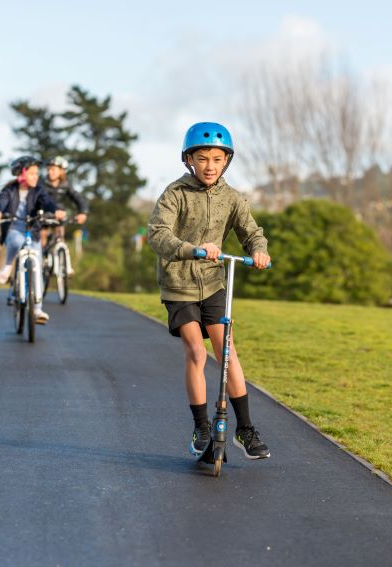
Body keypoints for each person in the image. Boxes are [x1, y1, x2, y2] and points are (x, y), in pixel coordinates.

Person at [147, 122, 272, 460]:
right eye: (202, 158)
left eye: (217, 159)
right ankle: (201, 425)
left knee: (225, 350)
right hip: (179, 283)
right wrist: (191, 248)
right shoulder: (175, 194)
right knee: (196, 352)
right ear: (189, 159)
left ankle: (245, 429)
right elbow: (157, 234)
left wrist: (259, 250)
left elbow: (251, 231)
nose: (210, 166)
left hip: (214, 282)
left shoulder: (232, 198)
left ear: (226, 161)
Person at [0, 156, 66, 324]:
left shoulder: (38, 190)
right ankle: (8, 266)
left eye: (37, 173)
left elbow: (47, 202)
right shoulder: (10, 190)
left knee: (37, 266)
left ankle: (37, 309)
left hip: (32, 230)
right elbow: (0, 202)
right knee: (16, 242)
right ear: (22, 174)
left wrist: (56, 211)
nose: (36, 177)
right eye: (32, 173)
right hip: (14, 228)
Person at [39, 156, 88, 263]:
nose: (50, 172)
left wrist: (83, 212)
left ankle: (63, 264)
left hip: (59, 215)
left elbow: (77, 197)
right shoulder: (41, 183)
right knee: (42, 235)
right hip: (44, 214)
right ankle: (43, 260)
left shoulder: (65, 184)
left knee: (60, 235)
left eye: (53, 169)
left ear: (61, 171)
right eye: (49, 169)